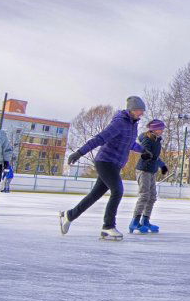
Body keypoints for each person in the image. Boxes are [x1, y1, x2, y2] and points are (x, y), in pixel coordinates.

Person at [59, 96, 151, 241]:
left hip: (115, 164)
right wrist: (79, 153)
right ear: (132, 109)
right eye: (140, 110)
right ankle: (108, 227)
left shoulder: (133, 124)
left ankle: (69, 215)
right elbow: (100, 138)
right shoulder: (119, 123)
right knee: (117, 190)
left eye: (142, 111)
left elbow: (129, 143)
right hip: (105, 162)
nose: (142, 113)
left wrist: (143, 150)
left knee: (94, 195)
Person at [129, 119, 169, 234]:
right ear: (154, 129)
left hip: (152, 171)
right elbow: (144, 151)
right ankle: (135, 221)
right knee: (144, 196)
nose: (162, 130)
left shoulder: (157, 140)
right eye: (160, 128)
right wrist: (145, 155)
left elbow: (155, 157)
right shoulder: (147, 139)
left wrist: (162, 165)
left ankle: (145, 220)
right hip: (143, 170)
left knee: (152, 197)